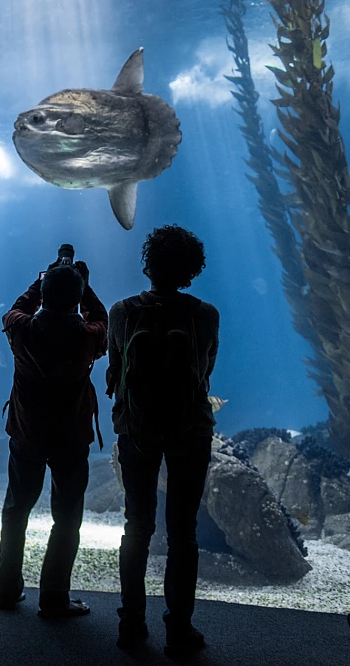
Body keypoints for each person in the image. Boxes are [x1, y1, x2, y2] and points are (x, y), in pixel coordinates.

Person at [106, 225, 219, 657]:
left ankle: (132, 625)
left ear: (148, 263)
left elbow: (115, 371)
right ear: (193, 269)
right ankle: (179, 629)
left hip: (136, 430)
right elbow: (206, 373)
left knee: (136, 526)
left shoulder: (122, 311)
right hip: (190, 430)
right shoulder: (205, 315)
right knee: (182, 531)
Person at [0, 245, 109, 618]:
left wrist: (43, 277)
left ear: (43, 294)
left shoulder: (21, 330)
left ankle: (7, 590)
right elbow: (102, 318)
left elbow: (15, 308)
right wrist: (83, 284)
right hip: (71, 437)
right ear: (78, 299)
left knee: (16, 509)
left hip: (27, 433)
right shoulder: (88, 335)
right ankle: (55, 595)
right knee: (68, 515)